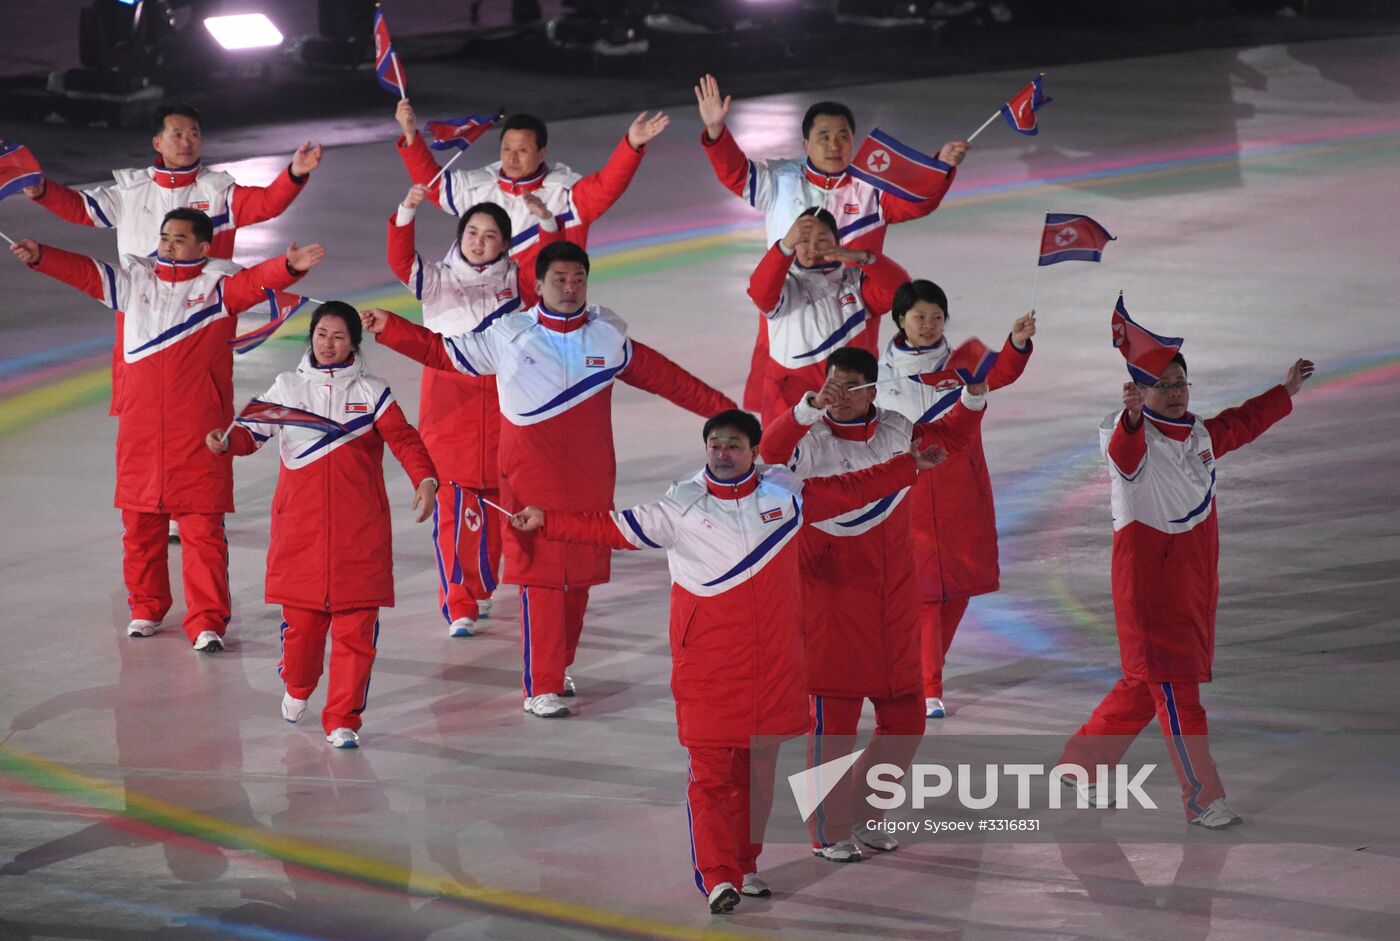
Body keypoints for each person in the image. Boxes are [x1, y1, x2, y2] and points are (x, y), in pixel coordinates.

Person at [509, 409, 951, 913]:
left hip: (773, 671)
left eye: (733, 445)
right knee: (713, 775)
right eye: (714, 444)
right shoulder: (681, 506)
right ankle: (718, 876)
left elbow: (851, 489)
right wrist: (548, 521)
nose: (722, 453)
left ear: (754, 453)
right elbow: (610, 527)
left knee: (757, 775)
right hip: (709, 670)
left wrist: (908, 466)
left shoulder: (785, 496)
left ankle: (745, 865)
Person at [361, 241, 736, 718]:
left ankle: (557, 670)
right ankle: (540, 686)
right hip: (528, 481)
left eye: (578, 278)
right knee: (540, 582)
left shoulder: (608, 337)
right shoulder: (508, 335)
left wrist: (727, 411)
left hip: (590, 482)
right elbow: (441, 351)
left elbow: (669, 380)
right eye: (559, 279)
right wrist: (391, 328)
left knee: (578, 582)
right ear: (536, 285)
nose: (570, 287)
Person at [11, 208, 324, 650]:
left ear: (202, 246)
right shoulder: (133, 282)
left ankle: (207, 622)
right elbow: (84, 272)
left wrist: (288, 268)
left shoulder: (217, 289)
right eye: (165, 237)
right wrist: (42, 255)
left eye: (179, 238)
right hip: (140, 434)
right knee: (140, 529)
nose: (169, 244)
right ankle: (145, 608)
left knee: (203, 533)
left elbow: (254, 284)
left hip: (198, 435)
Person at [1060, 353, 1315, 828]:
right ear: (1138, 392)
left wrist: (1285, 393)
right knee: (1178, 693)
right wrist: (1132, 418)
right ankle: (1202, 797)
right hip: (1151, 591)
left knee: (1145, 684)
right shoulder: (1128, 439)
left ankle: (1082, 763)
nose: (1175, 392)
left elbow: (1240, 424)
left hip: (1193, 584)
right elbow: (1124, 452)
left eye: (1180, 383)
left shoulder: (1198, 434)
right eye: (1163, 385)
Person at [759, 346, 986, 861]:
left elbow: (949, 439)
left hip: (894, 598)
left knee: (907, 718)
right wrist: (807, 407)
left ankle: (865, 810)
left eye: (850, 388)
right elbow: (768, 453)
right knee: (833, 722)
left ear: (871, 390)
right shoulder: (806, 439)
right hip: (829, 598)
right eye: (831, 386)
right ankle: (827, 829)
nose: (839, 397)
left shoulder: (896, 429)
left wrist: (973, 396)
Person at [206, 302, 438, 749]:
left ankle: (343, 719)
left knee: (357, 633)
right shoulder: (288, 388)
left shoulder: (373, 391)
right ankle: (297, 685)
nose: (327, 344)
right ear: (310, 337)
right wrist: (225, 442)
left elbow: (404, 438)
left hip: (360, 534)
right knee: (302, 634)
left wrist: (425, 478)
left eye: (338, 337)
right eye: (321, 334)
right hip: (301, 534)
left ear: (354, 343)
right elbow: (250, 434)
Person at [23, 101, 322, 412]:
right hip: (140, 311)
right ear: (157, 142)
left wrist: (294, 173)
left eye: (194, 134)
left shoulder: (218, 193)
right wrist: (43, 191)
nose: (187, 142)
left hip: (203, 317)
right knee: (140, 410)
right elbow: (79, 208)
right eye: (177, 134)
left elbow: (267, 203)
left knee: (201, 408)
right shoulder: (131, 191)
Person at [693, 74, 970, 407]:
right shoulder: (782, 180)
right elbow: (736, 173)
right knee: (785, 408)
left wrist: (940, 166)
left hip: (852, 308)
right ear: (806, 144)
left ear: (853, 142)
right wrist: (716, 132)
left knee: (850, 400)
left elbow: (918, 202)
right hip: (790, 305)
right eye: (823, 136)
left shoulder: (871, 189)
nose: (834, 145)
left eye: (842, 136)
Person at [387, 183, 562, 637]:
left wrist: (546, 222)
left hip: (507, 402)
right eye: (471, 232)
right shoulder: (438, 278)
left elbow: (553, 267)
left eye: (489, 235)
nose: (478, 241)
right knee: (454, 505)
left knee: (500, 504)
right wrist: (407, 211)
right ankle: (457, 601)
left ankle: (481, 585)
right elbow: (400, 261)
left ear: (505, 243)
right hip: (449, 405)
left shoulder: (518, 281)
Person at [874, 280, 1036, 719]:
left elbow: (1000, 372)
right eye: (919, 317)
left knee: (958, 587)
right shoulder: (877, 375)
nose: (928, 326)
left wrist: (1017, 343)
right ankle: (927, 686)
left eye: (936, 317)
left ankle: (924, 672)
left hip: (962, 489)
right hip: (908, 490)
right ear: (900, 320)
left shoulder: (964, 363)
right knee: (925, 593)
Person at [394, 100, 667, 280]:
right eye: (507, 149)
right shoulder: (479, 186)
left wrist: (631, 145)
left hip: (547, 313)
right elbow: (433, 185)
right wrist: (410, 134)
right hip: (487, 312)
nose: (512, 158)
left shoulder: (564, 194)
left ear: (542, 153)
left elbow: (608, 186)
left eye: (522, 150)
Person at [747, 207, 908, 425]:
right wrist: (783, 247)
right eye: (803, 240)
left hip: (850, 401)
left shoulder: (856, 283)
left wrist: (865, 258)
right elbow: (760, 292)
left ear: (836, 240)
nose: (813, 247)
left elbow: (899, 292)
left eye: (822, 239)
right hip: (791, 403)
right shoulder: (785, 287)